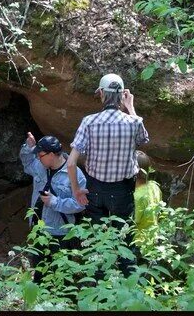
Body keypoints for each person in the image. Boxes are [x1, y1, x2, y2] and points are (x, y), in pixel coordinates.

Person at [67, 73, 149, 272]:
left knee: (98, 242)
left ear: (101, 94)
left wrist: (77, 191)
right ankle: (129, 289)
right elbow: (143, 140)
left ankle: (99, 290)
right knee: (126, 242)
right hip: (123, 191)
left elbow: (70, 163)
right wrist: (131, 108)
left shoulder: (89, 122)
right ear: (122, 96)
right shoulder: (133, 122)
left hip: (95, 191)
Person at [19, 133, 86, 281]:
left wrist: (55, 202)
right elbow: (27, 162)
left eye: (40, 154)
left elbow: (80, 204)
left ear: (51, 155)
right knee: (39, 272)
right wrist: (28, 147)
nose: (38, 158)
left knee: (61, 275)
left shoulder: (75, 174)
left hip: (61, 233)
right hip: (38, 229)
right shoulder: (40, 165)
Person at [133, 150, 162, 249]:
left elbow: (133, 221)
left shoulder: (137, 196)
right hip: (152, 238)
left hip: (137, 242)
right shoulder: (154, 186)